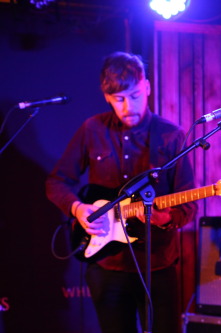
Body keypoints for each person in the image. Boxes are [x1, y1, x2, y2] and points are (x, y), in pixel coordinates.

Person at [46, 51, 197, 333]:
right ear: (106, 96)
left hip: (158, 266)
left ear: (148, 87)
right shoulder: (92, 129)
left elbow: (189, 205)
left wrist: (164, 219)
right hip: (107, 266)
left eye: (136, 95)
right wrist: (79, 209)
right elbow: (57, 182)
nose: (129, 106)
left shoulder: (171, 135)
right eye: (119, 99)